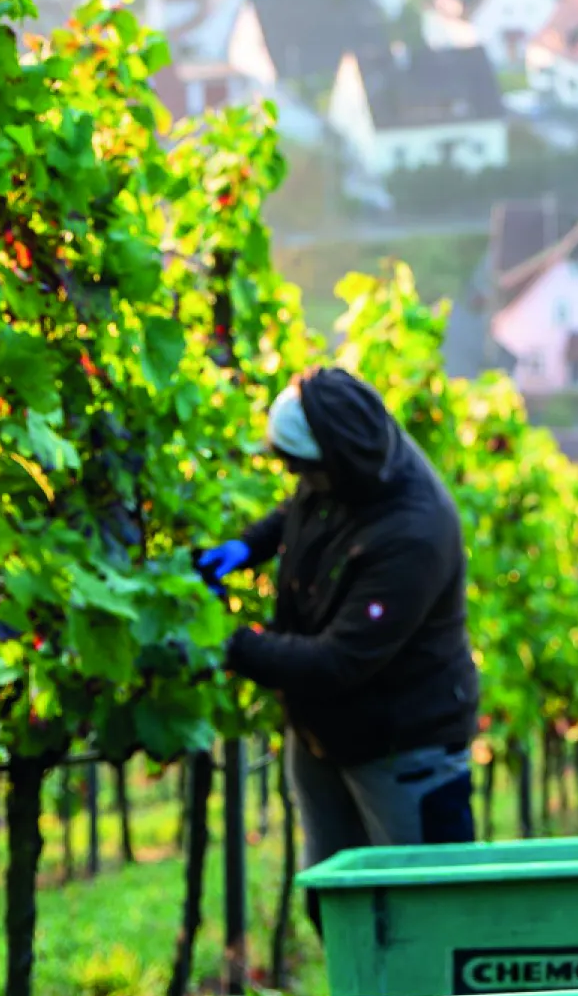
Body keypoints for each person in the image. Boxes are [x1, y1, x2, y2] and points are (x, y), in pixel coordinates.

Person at [198, 367, 480, 894]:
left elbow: (337, 662)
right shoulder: (357, 457)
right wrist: (250, 545)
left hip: (404, 748)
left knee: (429, 912)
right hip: (326, 737)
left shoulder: (413, 533)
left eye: (304, 469)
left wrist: (227, 643)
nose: (298, 480)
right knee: (335, 903)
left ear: (335, 463)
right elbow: (302, 508)